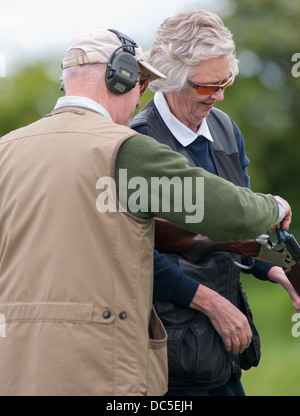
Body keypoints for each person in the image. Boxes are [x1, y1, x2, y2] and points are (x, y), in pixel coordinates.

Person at [0, 27, 292, 396]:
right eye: (141, 84)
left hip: (16, 369)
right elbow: (228, 211)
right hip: (97, 368)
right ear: (122, 78)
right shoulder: (125, 148)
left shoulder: (6, 148)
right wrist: (275, 206)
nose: (141, 99)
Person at [131, 9, 300, 396]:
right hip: (166, 355)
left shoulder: (225, 128)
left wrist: (281, 270)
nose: (220, 96)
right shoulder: (136, 145)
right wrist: (209, 302)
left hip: (220, 351)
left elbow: (241, 232)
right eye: (207, 87)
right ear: (168, 79)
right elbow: (133, 251)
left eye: (225, 82)